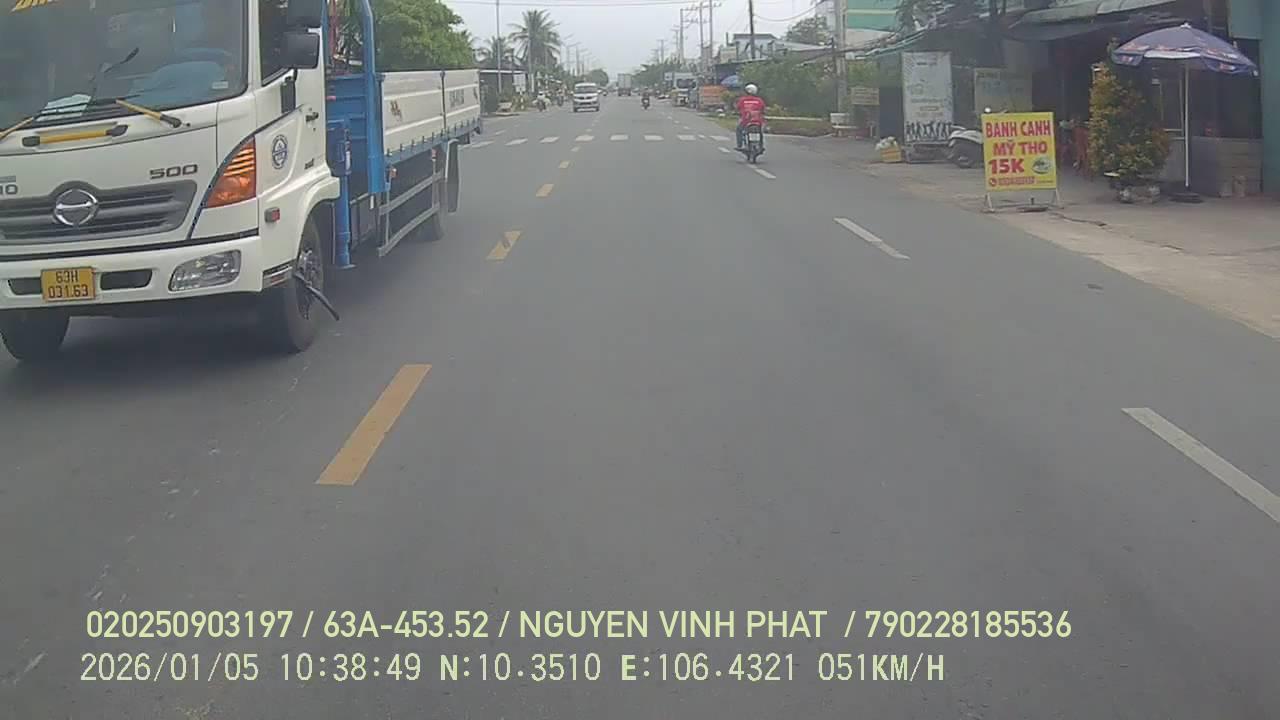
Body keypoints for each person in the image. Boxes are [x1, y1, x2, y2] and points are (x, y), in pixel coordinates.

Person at [735, 84, 766, 150]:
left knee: (739, 130)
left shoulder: (743, 100)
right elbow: (763, 109)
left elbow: (737, 108)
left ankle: (740, 145)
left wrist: (738, 112)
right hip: (758, 121)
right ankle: (761, 145)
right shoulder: (759, 100)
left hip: (745, 120)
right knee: (760, 131)